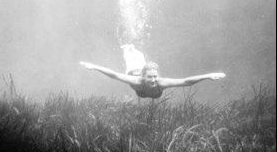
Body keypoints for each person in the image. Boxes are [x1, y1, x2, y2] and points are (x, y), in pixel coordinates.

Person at [80, 44, 225, 99]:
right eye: (150, 77)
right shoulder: (136, 81)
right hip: (133, 72)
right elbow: (114, 75)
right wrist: (95, 67)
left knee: (141, 57)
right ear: (144, 76)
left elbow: (186, 82)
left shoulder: (161, 82)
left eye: (155, 76)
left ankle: (134, 48)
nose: (153, 80)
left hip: (142, 73)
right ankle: (127, 48)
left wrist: (208, 76)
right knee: (131, 62)